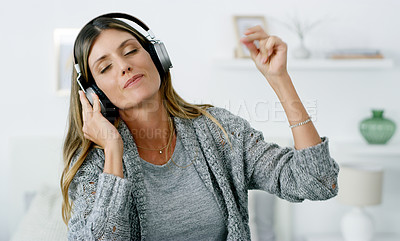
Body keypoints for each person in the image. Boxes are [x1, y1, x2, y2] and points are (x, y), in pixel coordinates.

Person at [61, 13, 339, 241]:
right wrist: (112, 150)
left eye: (131, 50)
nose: (124, 66)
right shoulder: (94, 161)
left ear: (157, 56)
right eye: (105, 67)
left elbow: (318, 182)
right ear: (93, 93)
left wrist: (280, 79)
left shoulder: (217, 129)